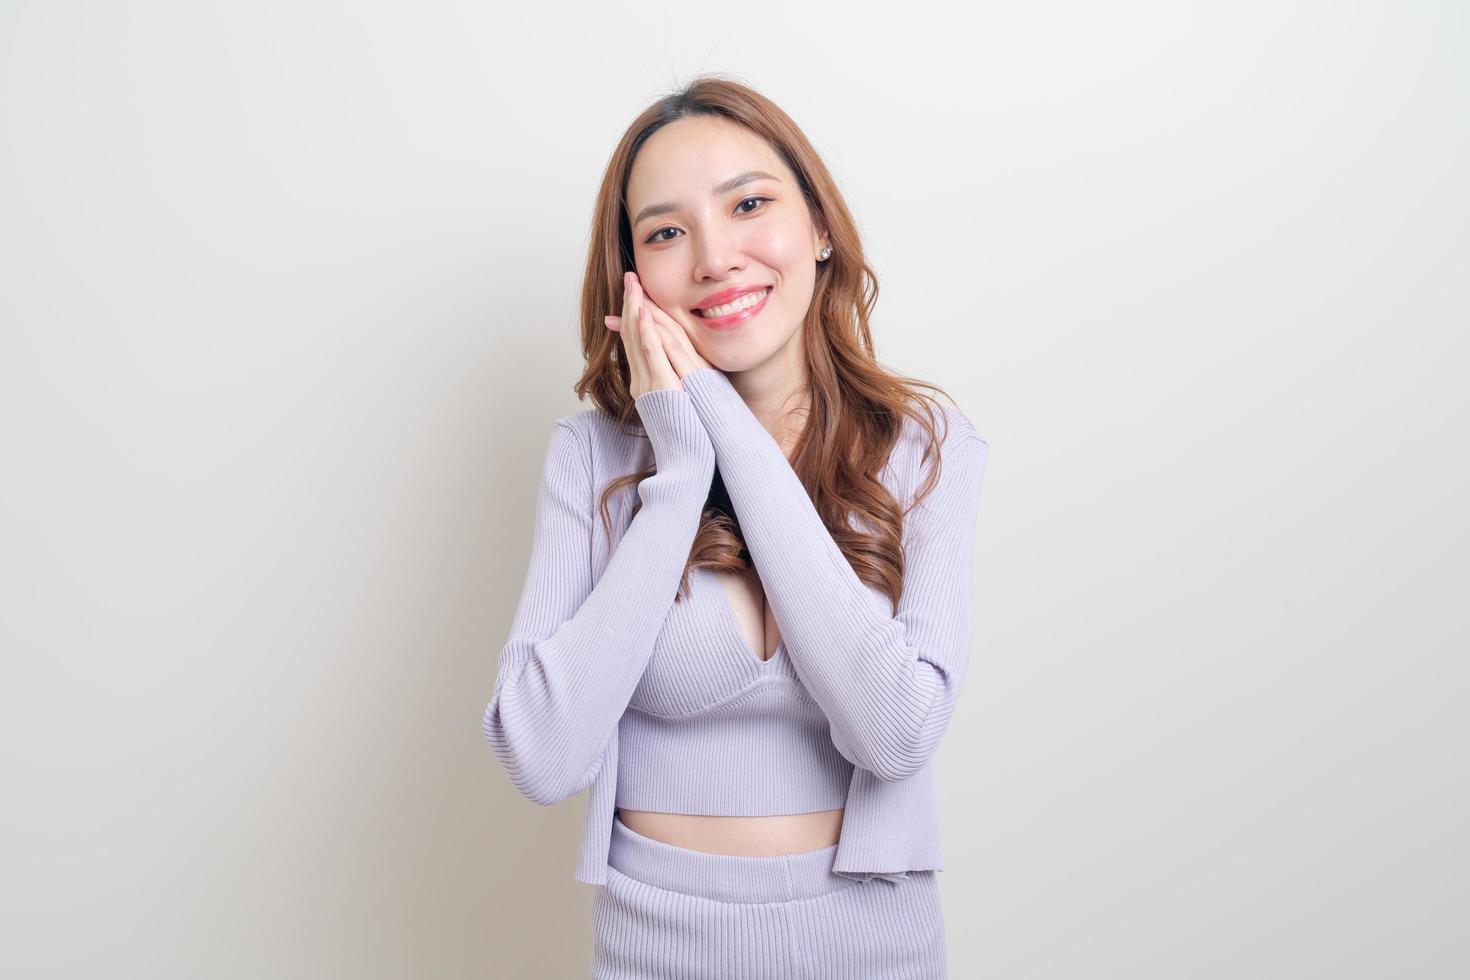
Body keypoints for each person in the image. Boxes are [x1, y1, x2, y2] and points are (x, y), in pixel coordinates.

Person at [483, 74, 989, 979]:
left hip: (876, 942)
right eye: (668, 232)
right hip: (657, 946)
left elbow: (895, 733)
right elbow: (542, 755)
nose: (715, 258)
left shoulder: (923, 448)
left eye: (749, 204)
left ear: (820, 227)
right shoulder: (594, 457)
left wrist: (713, 415)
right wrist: (679, 476)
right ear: (632, 278)